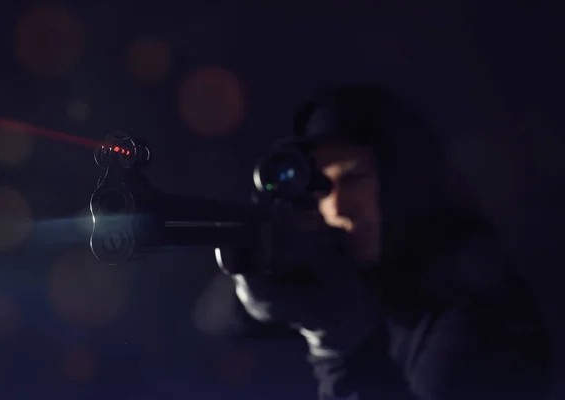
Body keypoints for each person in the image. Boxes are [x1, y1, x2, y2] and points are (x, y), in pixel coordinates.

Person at [221, 85, 551, 399]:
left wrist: (339, 348)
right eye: (322, 189)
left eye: (353, 179)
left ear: (404, 175)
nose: (335, 207)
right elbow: (216, 321)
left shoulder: (478, 309)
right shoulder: (374, 280)